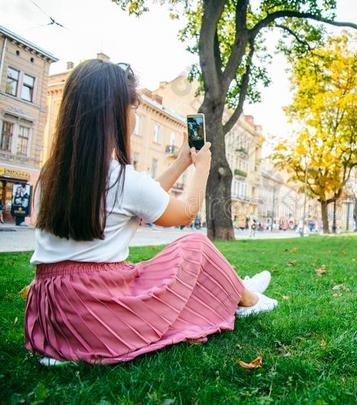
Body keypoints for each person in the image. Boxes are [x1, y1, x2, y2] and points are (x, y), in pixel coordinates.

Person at [25, 60, 277, 366]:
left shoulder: (52, 173)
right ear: (116, 113)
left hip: (54, 312)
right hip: (98, 309)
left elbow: (140, 202)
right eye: (133, 108)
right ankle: (247, 298)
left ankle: (238, 288)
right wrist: (202, 168)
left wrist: (181, 164)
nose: (134, 117)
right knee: (194, 245)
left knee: (153, 270)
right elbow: (184, 213)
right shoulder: (120, 178)